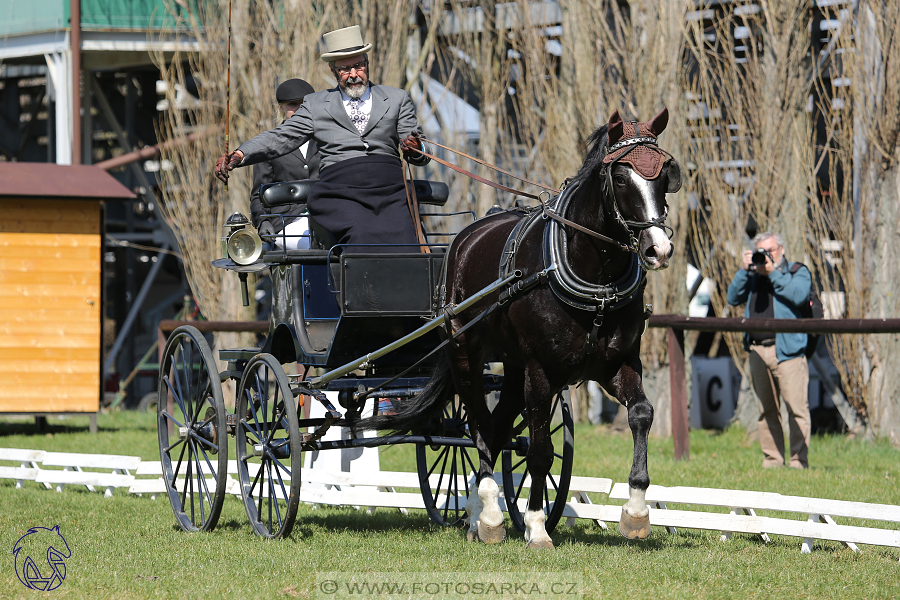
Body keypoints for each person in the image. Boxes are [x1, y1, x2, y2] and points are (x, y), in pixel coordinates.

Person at [215, 25, 429, 251]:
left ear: (367, 62)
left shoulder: (397, 99)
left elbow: (420, 146)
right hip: (341, 191)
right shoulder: (315, 105)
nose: (354, 74)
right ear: (333, 71)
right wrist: (240, 154)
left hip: (390, 189)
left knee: (406, 241)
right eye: (345, 69)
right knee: (359, 235)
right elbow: (280, 137)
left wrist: (416, 149)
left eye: (358, 65)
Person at [727, 232, 812, 469]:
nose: (765, 255)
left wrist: (773, 272)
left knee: (796, 409)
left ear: (781, 250)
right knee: (766, 410)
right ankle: (773, 459)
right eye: (761, 250)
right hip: (757, 350)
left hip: (788, 352)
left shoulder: (797, 271)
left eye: (770, 250)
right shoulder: (752, 274)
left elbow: (798, 295)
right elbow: (732, 298)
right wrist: (744, 270)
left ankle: (798, 461)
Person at [251, 78, 321, 250]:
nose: (298, 110)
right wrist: (262, 221)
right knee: (308, 245)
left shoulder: (326, 139)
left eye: (303, 104)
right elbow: (258, 193)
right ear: (281, 107)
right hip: (287, 221)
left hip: (325, 215)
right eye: (292, 105)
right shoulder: (270, 144)